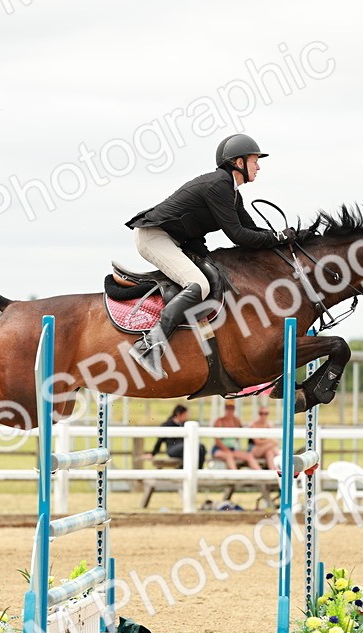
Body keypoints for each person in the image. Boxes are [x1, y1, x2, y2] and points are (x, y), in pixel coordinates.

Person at [124, 133, 297, 378]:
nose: (258, 166)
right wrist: (279, 237)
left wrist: (287, 239)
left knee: (214, 277)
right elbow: (238, 236)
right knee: (198, 285)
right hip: (155, 237)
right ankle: (149, 344)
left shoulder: (232, 192)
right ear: (238, 163)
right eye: (254, 160)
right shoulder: (220, 186)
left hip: (176, 240)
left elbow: (252, 231)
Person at [212, 400, 261, 470]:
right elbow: (217, 440)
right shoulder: (219, 421)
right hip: (219, 449)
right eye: (228, 408)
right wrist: (227, 450)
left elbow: (240, 434)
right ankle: (235, 475)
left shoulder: (236, 421)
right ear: (225, 409)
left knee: (248, 456)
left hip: (232, 449)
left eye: (231, 408)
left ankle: (261, 474)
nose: (230, 411)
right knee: (229, 456)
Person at [249, 404, 282, 469]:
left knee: (269, 452)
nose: (263, 415)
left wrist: (269, 441)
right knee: (272, 446)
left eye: (266, 413)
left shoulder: (269, 424)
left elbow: (274, 440)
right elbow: (257, 442)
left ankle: (273, 472)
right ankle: (281, 461)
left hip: (266, 449)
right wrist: (269, 441)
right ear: (258, 414)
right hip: (254, 449)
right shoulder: (254, 425)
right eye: (261, 413)